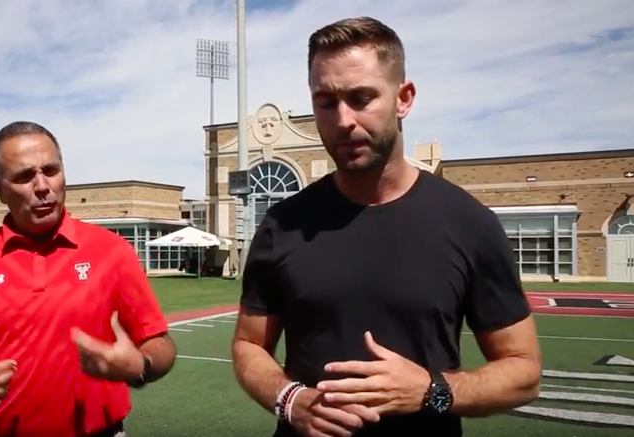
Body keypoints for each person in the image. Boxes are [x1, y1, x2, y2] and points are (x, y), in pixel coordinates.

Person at [231, 17, 542, 437]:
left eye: (361, 98)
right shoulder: (282, 224)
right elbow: (249, 345)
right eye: (326, 102)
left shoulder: (469, 223)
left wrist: (431, 390)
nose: (343, 120)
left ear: (403, 98)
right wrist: (290, 400)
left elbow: (523, 371)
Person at [0, 121, 177, 437]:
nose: (42, 186)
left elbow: (160, 343)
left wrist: (141, 366)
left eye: (51, 170)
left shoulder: (112, 251)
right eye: (24, 176)